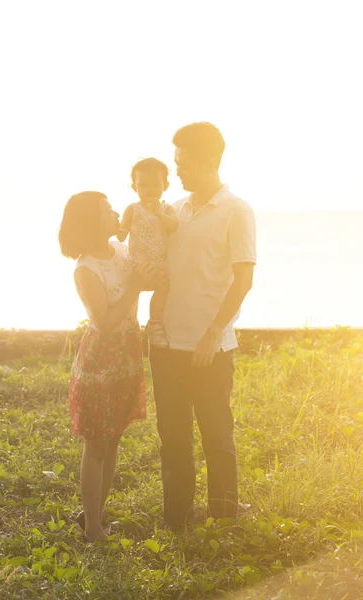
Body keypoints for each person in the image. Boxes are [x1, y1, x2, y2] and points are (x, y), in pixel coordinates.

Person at [149, 122, 257, 529]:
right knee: (173, 440)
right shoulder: (174, 211)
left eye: (184, 165)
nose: (177, 173)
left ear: (209, 162)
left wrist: (212, 333)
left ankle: (223, 519)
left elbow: (243, 280)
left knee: (216, 438)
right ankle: (176, 520)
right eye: (176, 164)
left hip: (211, 348)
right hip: (167, 347)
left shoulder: (236, 211)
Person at [58, 191, 151, 542]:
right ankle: (93, 529)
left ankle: (94, 514)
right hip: (100, 361)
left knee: (113, 441)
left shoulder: (122, 252)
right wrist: (135, 287)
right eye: (106, 210)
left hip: (128, 356)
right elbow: (106, 321)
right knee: (96, 445)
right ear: (90, 223)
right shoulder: (86, 268)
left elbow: (151, 264)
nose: (115, 212)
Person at [117, 158, 178, 348]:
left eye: (154, 184)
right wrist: (114, 229)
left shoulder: (167, 209)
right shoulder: (132, 209)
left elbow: (174, 226)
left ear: (165, 185)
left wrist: (159, 213)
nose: (149, 189)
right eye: (142, 185)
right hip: (137, 262)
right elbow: (121, 235)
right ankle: (126, 326)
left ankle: (155, 324)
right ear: (134, 187)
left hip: (158, 262)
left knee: (163, 288)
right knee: (131, 294)